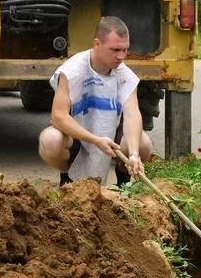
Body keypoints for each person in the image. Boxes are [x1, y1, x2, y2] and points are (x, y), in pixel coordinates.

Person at [38, 16, 151, 186]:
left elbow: (132, 114)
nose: (121, 56)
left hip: (112, 137)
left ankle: (124, 178)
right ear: (97, 44)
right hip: (77, 136)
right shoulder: (72, 71)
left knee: (143, 143)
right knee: (50, 140)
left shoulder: (125, 75)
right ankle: (67, 177)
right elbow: (58, 116)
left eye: (125, 50)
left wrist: (134, 154)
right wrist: (95, 140)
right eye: (115, 50)